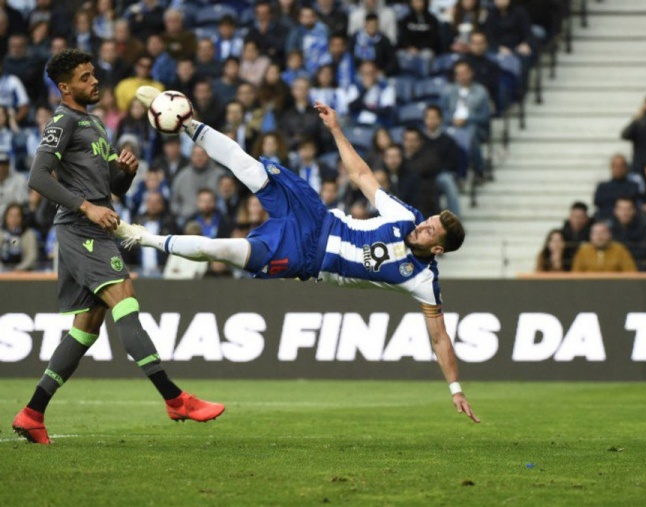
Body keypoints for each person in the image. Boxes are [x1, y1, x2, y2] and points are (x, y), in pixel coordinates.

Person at [117, 88, 480, 424]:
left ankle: (142, 237)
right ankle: (187, 121)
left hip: (305, 259)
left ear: (437, 249)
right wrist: (337, 130)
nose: (421, 225)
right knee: (248, 167)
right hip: (314, 215)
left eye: (429, 230)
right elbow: (361, 174)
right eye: (427, 221)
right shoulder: (405, 217)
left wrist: (456, 388)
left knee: (224, 250)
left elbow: (439, 338)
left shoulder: (422, 281)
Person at [12, 50, 224, 445]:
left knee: (87, 328)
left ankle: (32, 413)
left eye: (94, 74)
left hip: (94, 225)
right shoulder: (63, 121)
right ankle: (174, 398)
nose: (95, 81)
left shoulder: (94, 122)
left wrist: (124, 174)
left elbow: (110, 187)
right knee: (125, 299)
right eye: (85, 77)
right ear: (65, 87)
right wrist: (87, 207)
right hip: (81, 228)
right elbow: (38, 177)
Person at [571, 221, 637, 273]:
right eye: (596, 233)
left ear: (610, 235)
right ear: (590, 236)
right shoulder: (583, 251)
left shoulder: (620, 250)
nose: (599, 237)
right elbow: (575, 274)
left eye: (603, 233)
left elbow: (631, 273)